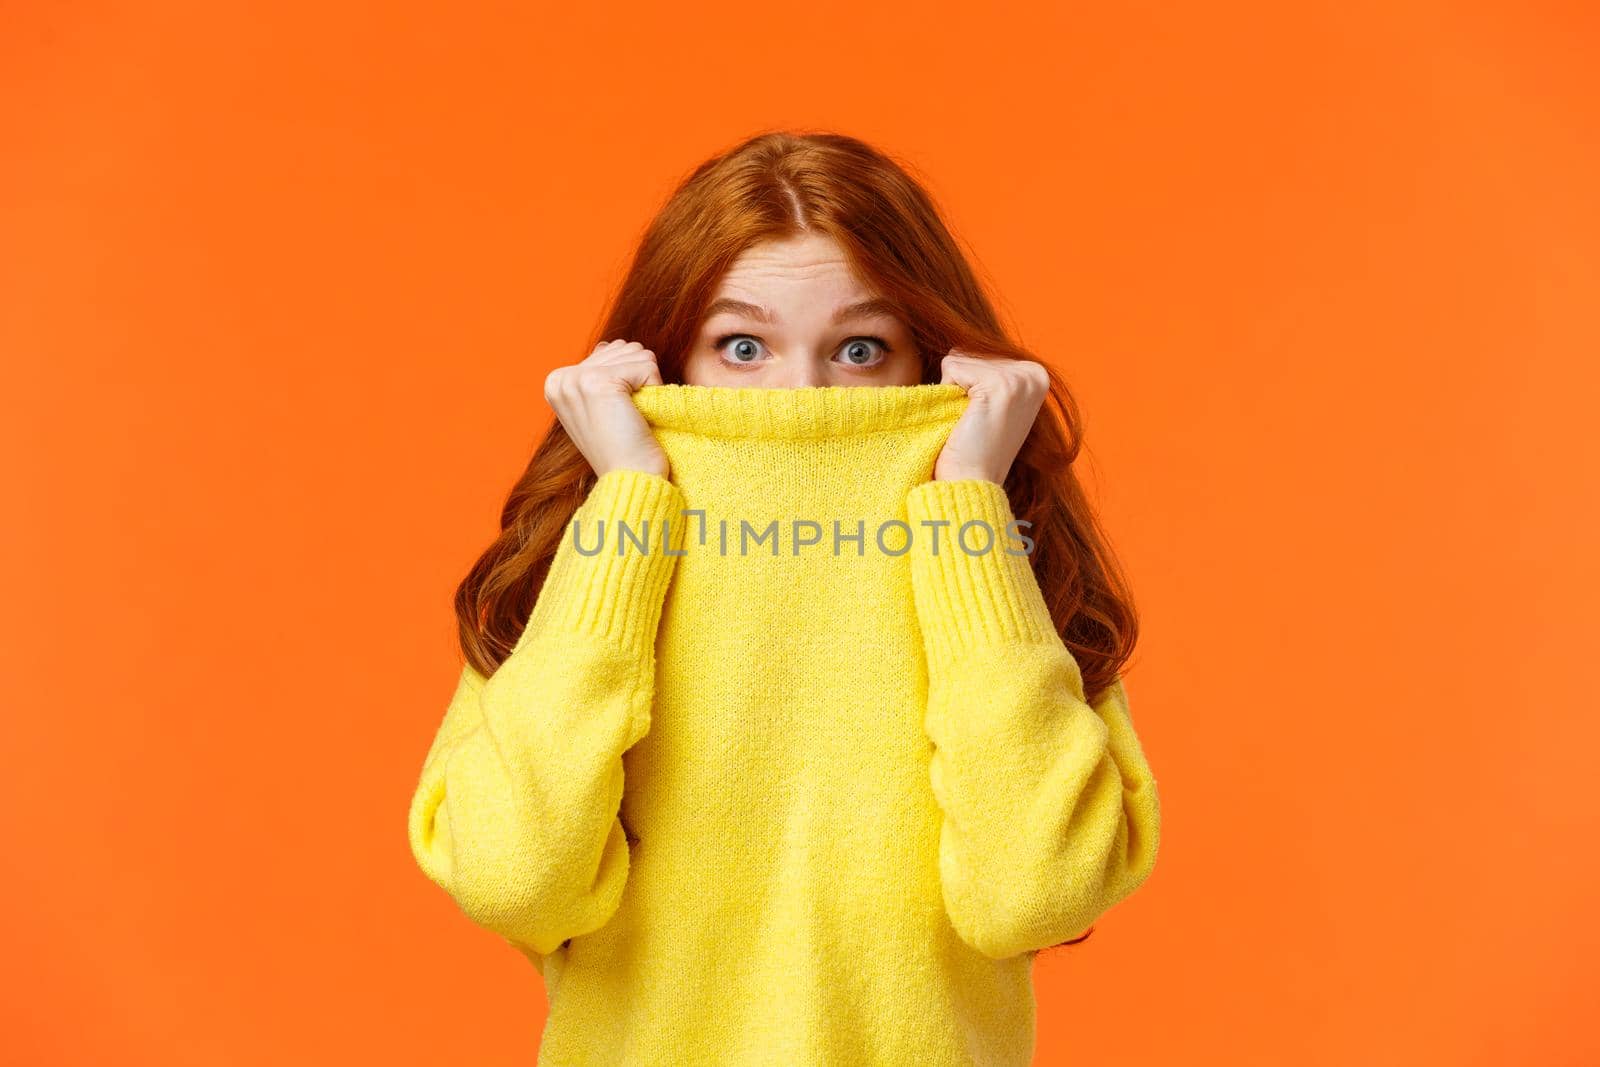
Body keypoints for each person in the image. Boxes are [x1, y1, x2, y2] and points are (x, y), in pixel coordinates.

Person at [406, 130, 1162, 1065]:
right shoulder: (582, 566)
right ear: (666, 360)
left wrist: (970, 506)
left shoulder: (1005, 568)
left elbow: (1035, 890)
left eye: (858, 348)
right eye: (742, 345)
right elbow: (517, 879)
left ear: (929, 362)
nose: (801, 396)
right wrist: (629, 509)